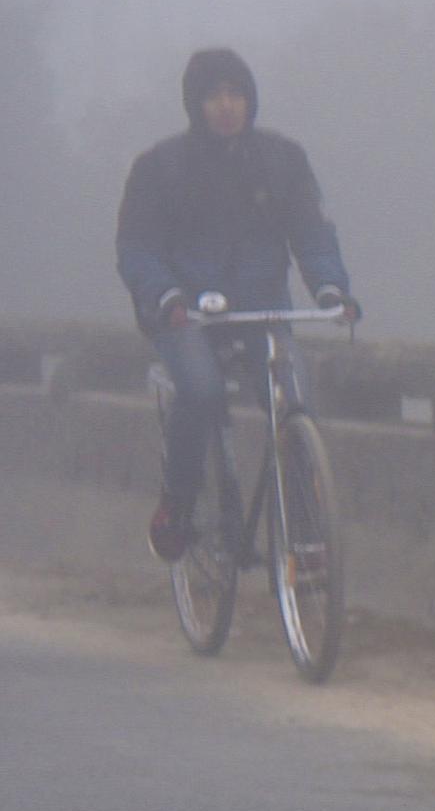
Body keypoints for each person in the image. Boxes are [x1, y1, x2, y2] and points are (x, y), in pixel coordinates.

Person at [115, 47, 355, 563]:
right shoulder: (160, 168)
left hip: (261, 309)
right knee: (200, 391)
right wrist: (166, 296)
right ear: (195, 104)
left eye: (236, 94)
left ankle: (306, 529)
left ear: (250, 100)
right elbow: (136, 249)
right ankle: (177, 505)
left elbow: (312, 233)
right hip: (186, 315)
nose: (226, 106)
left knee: (294, 398)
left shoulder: (282, 160)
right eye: (214, 96)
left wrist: (331, 289)